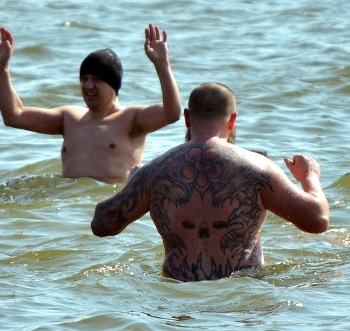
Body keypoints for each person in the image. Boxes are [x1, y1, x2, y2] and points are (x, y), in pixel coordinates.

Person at [90, 82, 330, 282]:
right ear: (233, 120)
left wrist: (132, 185)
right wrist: (310, 177)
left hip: (178, 300)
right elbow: (317, 220)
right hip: (241, 296)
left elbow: (102, 224)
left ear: (186, 117)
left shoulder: (154, 172)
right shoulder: (258, 167)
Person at [0, 23, 182, 183]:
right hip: (67, 208)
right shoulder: (69, 117)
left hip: (107, 203)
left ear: (113, 84)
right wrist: (2, 68)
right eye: (84, 79)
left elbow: (172, 113)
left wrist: (162, 65)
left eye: (96, 79)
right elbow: (14, 115)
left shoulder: (131, 119)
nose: (88, 85)